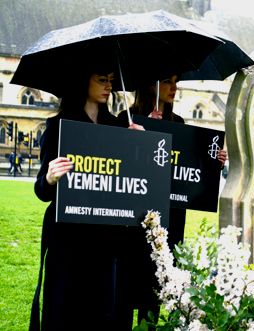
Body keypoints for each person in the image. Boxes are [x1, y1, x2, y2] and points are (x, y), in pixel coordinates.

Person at [31, 59, 143, 331]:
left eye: (110, 80)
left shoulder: (118, 127)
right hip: (68, 238)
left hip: (105, 238)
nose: (108, 86)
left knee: (102, 310)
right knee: (67, 309)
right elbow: (41, 191)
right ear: (83, 81)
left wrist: (138, 144)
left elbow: (132, 179)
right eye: (101, 79)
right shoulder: (58, 126)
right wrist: (50, 177)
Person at [118, 73, 227, 323]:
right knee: (125, 290)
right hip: (132, 222)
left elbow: (190, 169)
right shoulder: (124, 119)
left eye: (176, 81)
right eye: (167, 81)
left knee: (155, 290)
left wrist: (214, 162)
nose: (174, 87)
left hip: (169, 219)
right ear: (151, 84)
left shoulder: (177, 122)